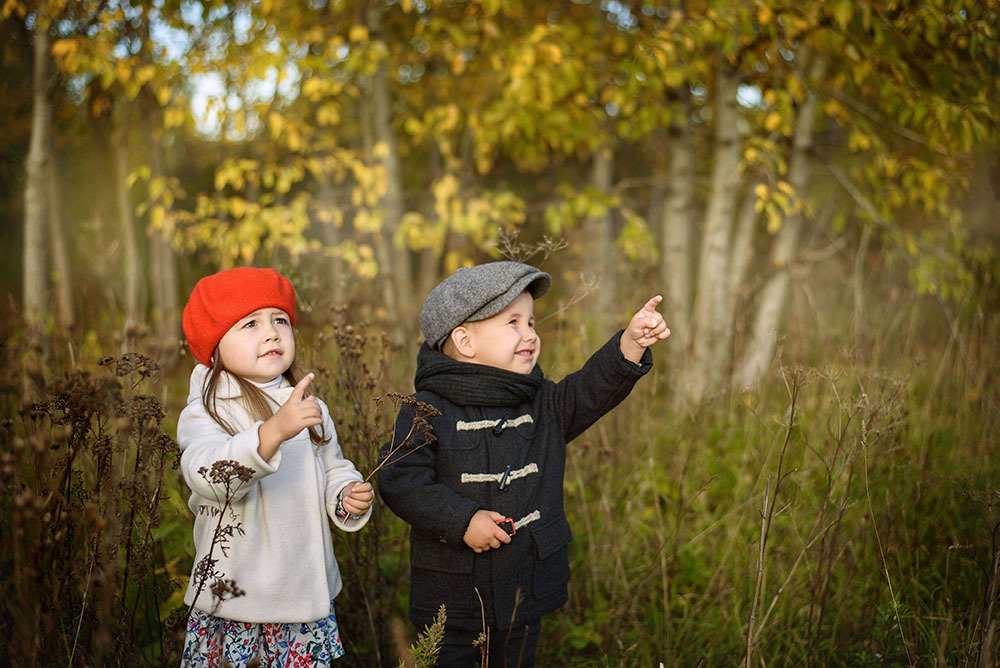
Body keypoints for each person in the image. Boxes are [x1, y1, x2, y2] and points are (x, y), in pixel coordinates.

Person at [377, 261, 670, 667]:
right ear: (464, 340)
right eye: (512, 323)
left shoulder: (542, 402)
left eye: (531, 322)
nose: (530, 334)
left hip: (523, 588)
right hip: (452, 601)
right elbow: (401, 481)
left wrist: (632, 344)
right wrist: (462, 520)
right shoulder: (426, 411)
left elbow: (589, 390)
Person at [176, 266, 374, 667]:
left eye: (279, 320)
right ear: (215, 347)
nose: (271, 333)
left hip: (301, 595)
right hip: (236, 598)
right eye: (250, 324)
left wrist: (345, 493)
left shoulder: (310, 407)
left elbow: (331, 466)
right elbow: (205, 474)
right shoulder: (207, 411)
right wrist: (270, 434)